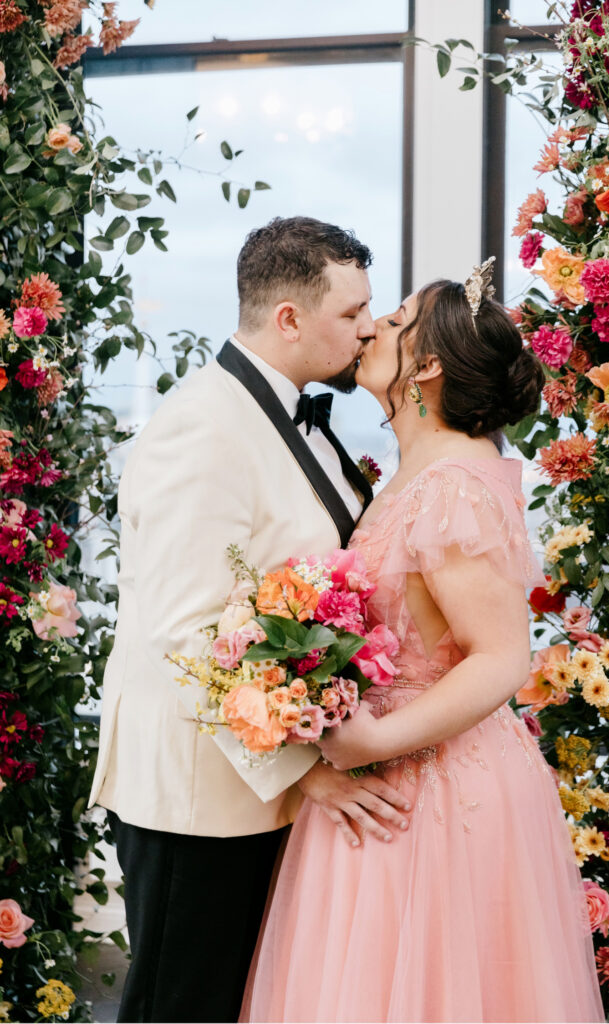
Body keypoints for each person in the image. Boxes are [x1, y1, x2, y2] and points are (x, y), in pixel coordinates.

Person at [241, 262, 605, 1023]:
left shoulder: (455, 489)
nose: (370, 328)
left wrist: (369, 739)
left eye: (394, 319)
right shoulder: (418, 475)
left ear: (429, 365)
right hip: (380, 775)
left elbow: (501, 657)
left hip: (434, 790)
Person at [88, 216, 413, 1024]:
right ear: (289, 319)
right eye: (352, 313)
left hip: (258, 783)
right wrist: (305, 772)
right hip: (201, 794)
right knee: (181, 1005)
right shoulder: (202, 426)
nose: (368, 327)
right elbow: (184, 628)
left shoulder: (287, 409)